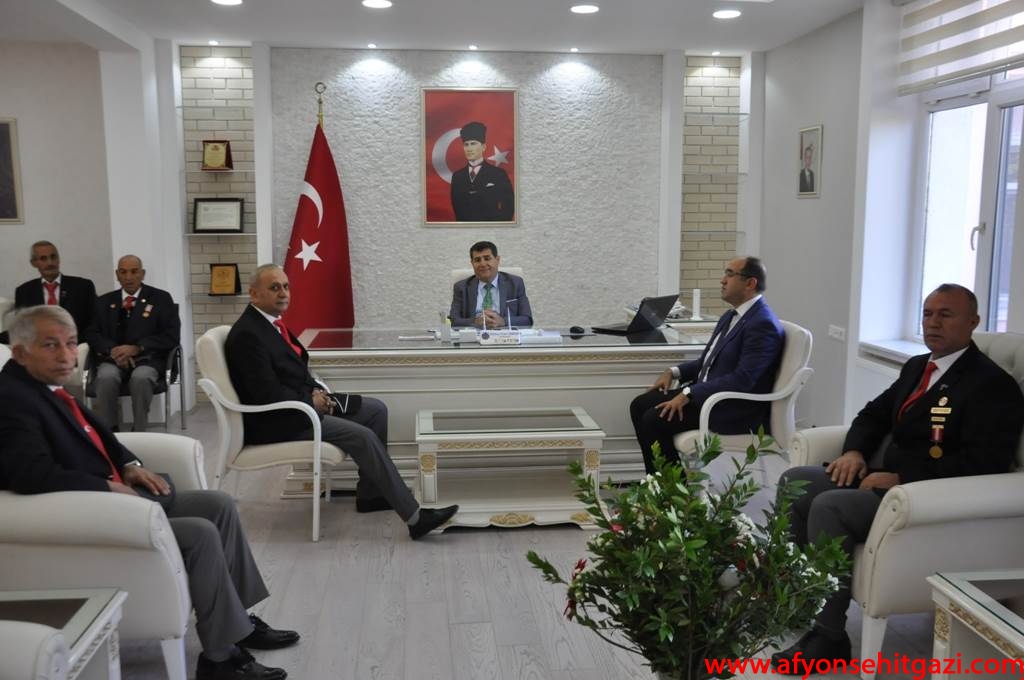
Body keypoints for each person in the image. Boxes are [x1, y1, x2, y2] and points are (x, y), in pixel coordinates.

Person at [0, 305, 300, 680]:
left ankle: (241, 622)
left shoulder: (43, 384)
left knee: (218, 505)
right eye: (50, 345)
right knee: (200, 533)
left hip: (119, 496)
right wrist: (106, 487)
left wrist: (128, 465)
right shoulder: (11, 399)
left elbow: (96, 436)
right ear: (19, 352)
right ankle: (220, 658)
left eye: (71, 343)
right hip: (87, 512)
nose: (65, 355)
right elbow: (30, 475)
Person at [771, 284, 1024, 673]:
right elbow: (873, 415)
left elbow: (984, 461)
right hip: (881, 476)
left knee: (830, 507)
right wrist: (854, 452)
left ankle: (829, 636)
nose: (933, 323)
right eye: (927, 313)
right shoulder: (917, 366)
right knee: (795, 481)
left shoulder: (992, 385)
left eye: (945, 314)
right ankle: (800, 600)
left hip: (923, 496)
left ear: (973, 321)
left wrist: (903, 477)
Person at [225, 264, 458, 540]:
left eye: (286, 286)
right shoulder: (248, 334)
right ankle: (416, 518)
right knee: (363, 436)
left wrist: (317, 392)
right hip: (280, 421)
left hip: (300, 406)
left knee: (376, 411)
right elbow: (265, 395)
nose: (283, 293)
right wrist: (311, 402)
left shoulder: (271, 323)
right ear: (254, 294)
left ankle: (371, 495)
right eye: (274, 287)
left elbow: (292, 371)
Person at [629, 256, 784, 473]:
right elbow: (707, 362)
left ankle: (670, 488)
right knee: (639, 405)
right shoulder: (731, 315)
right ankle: (657, 482)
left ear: (750, 283)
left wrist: (689, 393)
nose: (722, 280)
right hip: (707, 395)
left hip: (732, 408)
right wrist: (673, 372)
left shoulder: (762, 323)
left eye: (730, 274)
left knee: (654, 419)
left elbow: (744, 379)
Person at [84, 255, 180, 432]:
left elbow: (171, 336)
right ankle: (110, 430)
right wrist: (113, 350)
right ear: (117, 274)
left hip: (149, 359)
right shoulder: (104, 301)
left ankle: (140, 429)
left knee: (141, 377)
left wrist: (138, 348)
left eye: (134, 272)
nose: (128, 277)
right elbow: (92, 333)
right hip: (113, 359)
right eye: (123, 272)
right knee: (106, 377)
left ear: (142, 274)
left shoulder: (160, 298)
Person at [0, 240, 96, 344]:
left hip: (75, 345)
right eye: (43, 259)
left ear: (59, 259)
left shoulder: (83, 287)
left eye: (53, 257)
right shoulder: (24, 291)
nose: (50, 263)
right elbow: (21, 329)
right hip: (40, 347)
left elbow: (94, 324)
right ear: (34, 263)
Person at [449, 240, 533, 328]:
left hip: (504, 333)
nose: (482, 264)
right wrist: (475, 322)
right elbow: (453, 320)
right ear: (472, 263)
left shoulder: (515, 283)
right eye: (477, 260)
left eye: (487, 258)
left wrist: (503, 321)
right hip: (475, 333)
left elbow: (527, 319)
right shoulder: (461, 287)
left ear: (497, 260)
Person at [449, 121, 515, 222]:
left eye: (473, 144)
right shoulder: (457, 177)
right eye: (466, 144)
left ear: (483, 147)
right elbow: (457, 208)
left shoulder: (498, 174)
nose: (469, 149)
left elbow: (509, 206)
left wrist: (496, 227)